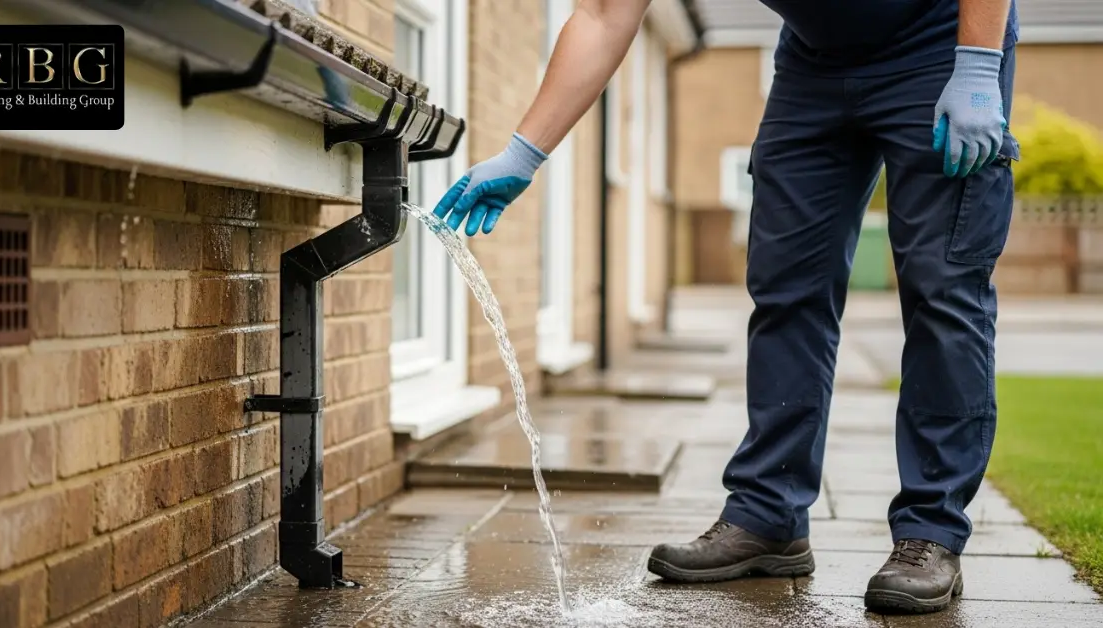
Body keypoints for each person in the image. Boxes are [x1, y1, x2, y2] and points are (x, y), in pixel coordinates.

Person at [433, 0, 1019, 616]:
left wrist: (978, 64)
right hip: (814, 63)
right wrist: (524, 154)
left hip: (939, 44)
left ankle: (931, 532)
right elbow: (604, 15)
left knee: (942, 290)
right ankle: (769, 517)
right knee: (786, 287)